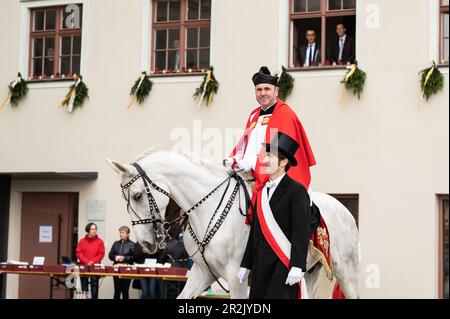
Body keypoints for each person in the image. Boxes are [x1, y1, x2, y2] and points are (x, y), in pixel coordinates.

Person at [224, 66, 316, 223]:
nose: (263, 93)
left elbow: (277, 152)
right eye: (259, 89)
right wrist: (235, 158)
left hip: (275, 175)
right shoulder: (254, 114)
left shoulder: (284, 113)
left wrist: (252, 163)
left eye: (267, 89)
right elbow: (245, 142)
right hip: (250, 173)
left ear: (276, 91)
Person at [238, 132, 311, 299]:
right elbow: (255, 231)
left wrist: (297, 265)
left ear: (283, 162)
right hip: (260, 266)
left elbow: (301, 232)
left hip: (283, 265)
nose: (264, 160)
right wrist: (246, 264)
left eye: (270, 156)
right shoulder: (263, 191)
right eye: (266, 155)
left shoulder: (296, 191)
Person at [76, 222, 105, 299]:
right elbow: (79, 253)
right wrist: (87, 262)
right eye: (92, 229)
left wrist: (92, 262)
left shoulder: (100, 241)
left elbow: (101, 254)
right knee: (84, 290)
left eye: (95, 229)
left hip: (94, 268)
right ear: (88, 230)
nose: (94, 230)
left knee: (94, 291)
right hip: (84, 267)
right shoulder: (82, 241)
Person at [108, 226, 135, 299]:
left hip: (127, 270)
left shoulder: (132, 244)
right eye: (120, 232)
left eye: (123, 232)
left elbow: (134, 258)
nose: (121, 234)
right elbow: (110, 255)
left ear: (128, 234)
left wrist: (124, 258)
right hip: (116, 269)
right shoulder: (116, 243)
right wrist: (115, 257)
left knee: (125, 291)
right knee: (117, 290)